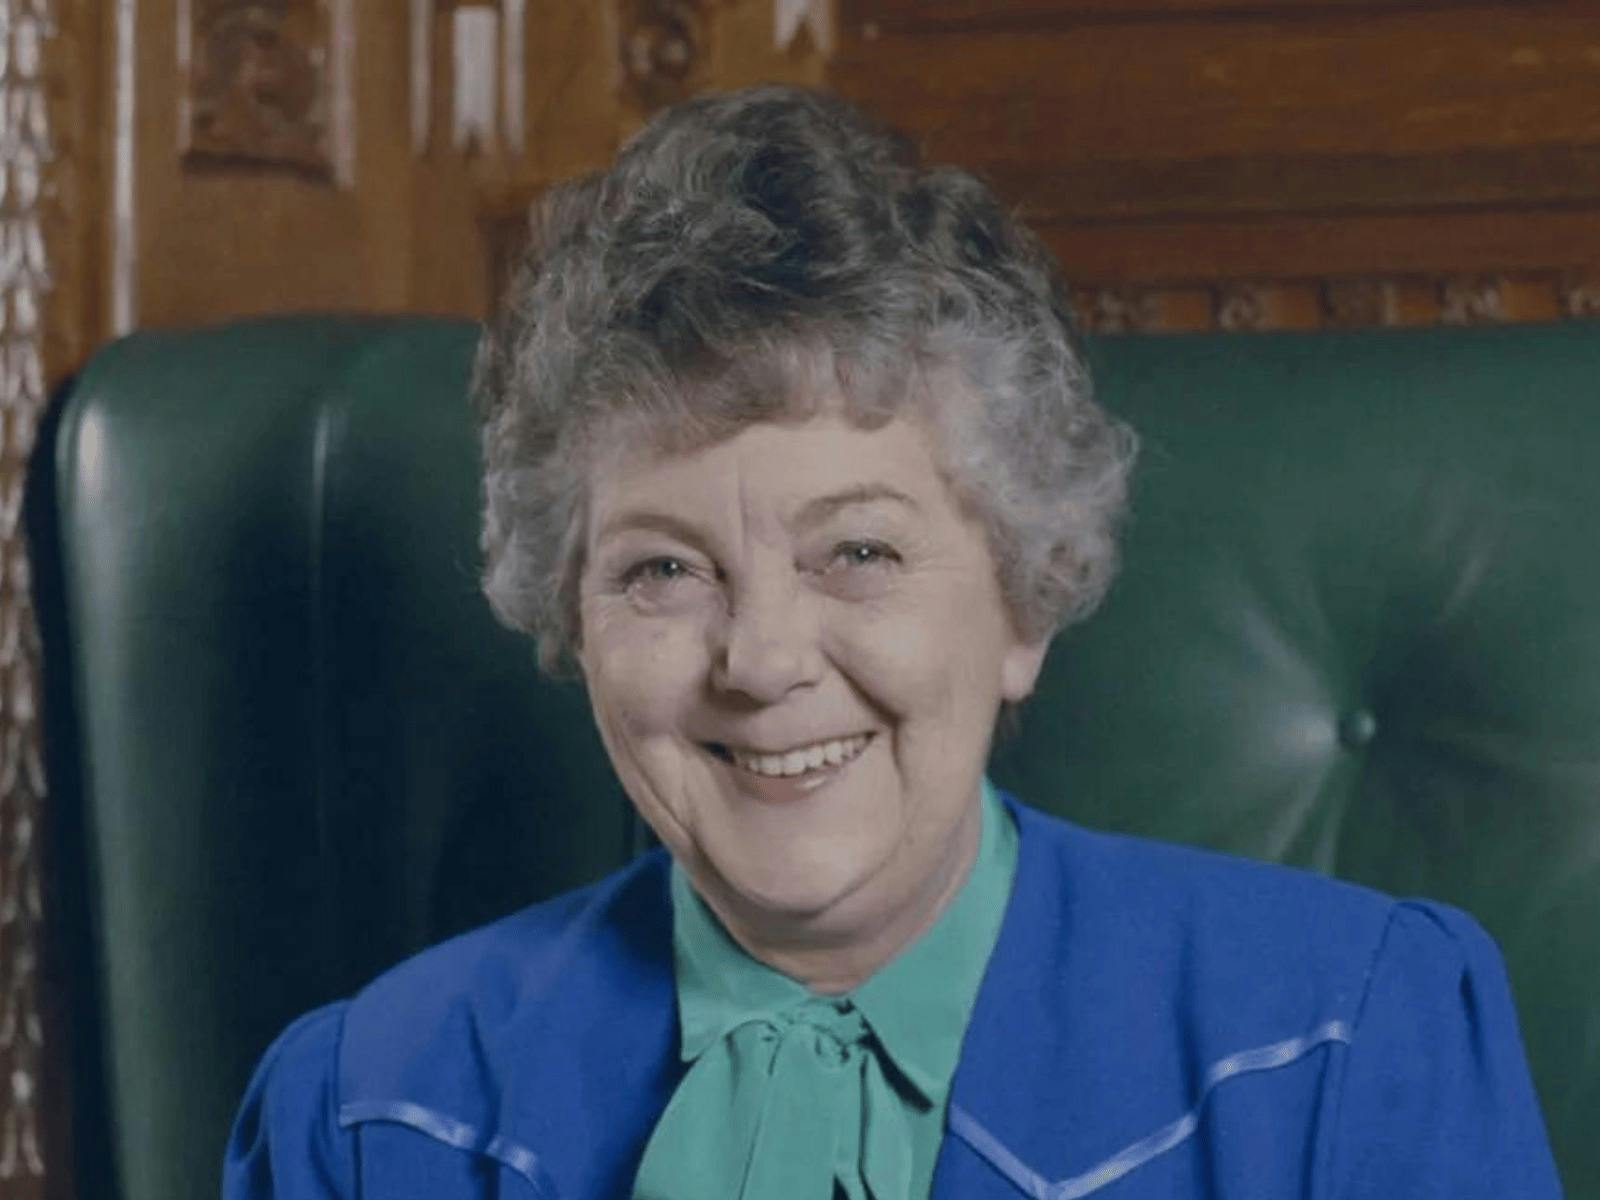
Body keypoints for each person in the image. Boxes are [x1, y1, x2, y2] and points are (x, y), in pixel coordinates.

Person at [222, 85, 1561, 1199]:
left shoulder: (1349, 1040)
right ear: (571, 617)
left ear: (1028, 599)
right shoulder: (367, 1115)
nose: (760, 658)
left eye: (855, 551)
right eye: (663, 569)